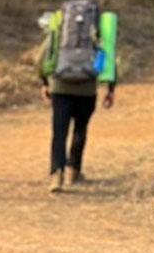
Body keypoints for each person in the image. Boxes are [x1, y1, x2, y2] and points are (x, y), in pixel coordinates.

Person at [38, 37, 116, 193]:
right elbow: (108, 57)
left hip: (60, 88)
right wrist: (111, 89)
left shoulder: (61, 28)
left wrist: (45, 83)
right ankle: (73, 170)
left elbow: (43, 56)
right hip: (87, 90)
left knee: (59, 132)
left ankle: (56, 173)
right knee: (80, 128)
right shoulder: (96, 31)